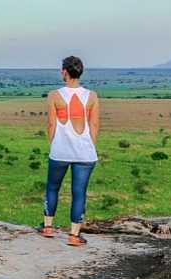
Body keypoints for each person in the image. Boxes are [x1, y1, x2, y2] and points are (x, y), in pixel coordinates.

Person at [38, 56, 100, 247]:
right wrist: (90, 147)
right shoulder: (92, 96)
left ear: (64, 72)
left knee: (52, 188)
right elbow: (95, 124)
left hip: (60, 151)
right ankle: (74, 235)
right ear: (80, 72)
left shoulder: (54, 95)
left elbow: (51, 123)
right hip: (85, 153)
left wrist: (53, 144)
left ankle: (48, 227)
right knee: (79, 192)